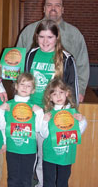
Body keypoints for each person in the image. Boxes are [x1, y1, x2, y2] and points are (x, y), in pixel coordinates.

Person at [24, 19, 79, 187]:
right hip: (28, 112)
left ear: (57, 37)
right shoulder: (31, 54)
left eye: (50, 37)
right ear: (36, 36)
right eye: (41, 37)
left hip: (49, 117)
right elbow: (23, 81)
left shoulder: (66, 58)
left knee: (44, 157)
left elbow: (72, 91)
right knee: (27, 155)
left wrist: (69, 117)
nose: (45, 41)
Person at [17, 0, 89, 103]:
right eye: (49, 5)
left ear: (63, 9)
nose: (53, 8)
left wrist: (80, 90)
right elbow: (18, 61)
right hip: (31, 98)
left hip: (60, 99)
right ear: (44, 8)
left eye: (57, 5)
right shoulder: (28, 31)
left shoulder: (75, 34)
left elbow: (82, 64)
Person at [0, 73, 44, 187]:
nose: (25, 88)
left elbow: (38, 129)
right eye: (22, 84)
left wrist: (39, 112)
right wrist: (0, 111)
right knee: (13, 179)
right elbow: (1, 126)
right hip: (12, 149)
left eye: (28, 86)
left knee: (26, 180)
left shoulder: (34, 107)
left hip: (29, 150)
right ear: (16, 86)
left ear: (33, 90)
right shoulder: (9, 105)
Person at [40, 78, 87, 187]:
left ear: (67, 93)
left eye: (61, 92)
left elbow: (78, 133)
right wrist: (44, 121)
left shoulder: (73, 112)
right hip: (50, 154)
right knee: (48, 181)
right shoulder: (48, 114)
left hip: (66, 155)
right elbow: (44, 134)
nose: (58, 96)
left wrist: (82, 120)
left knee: (63, 182)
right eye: (54, 94)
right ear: (50, 97)